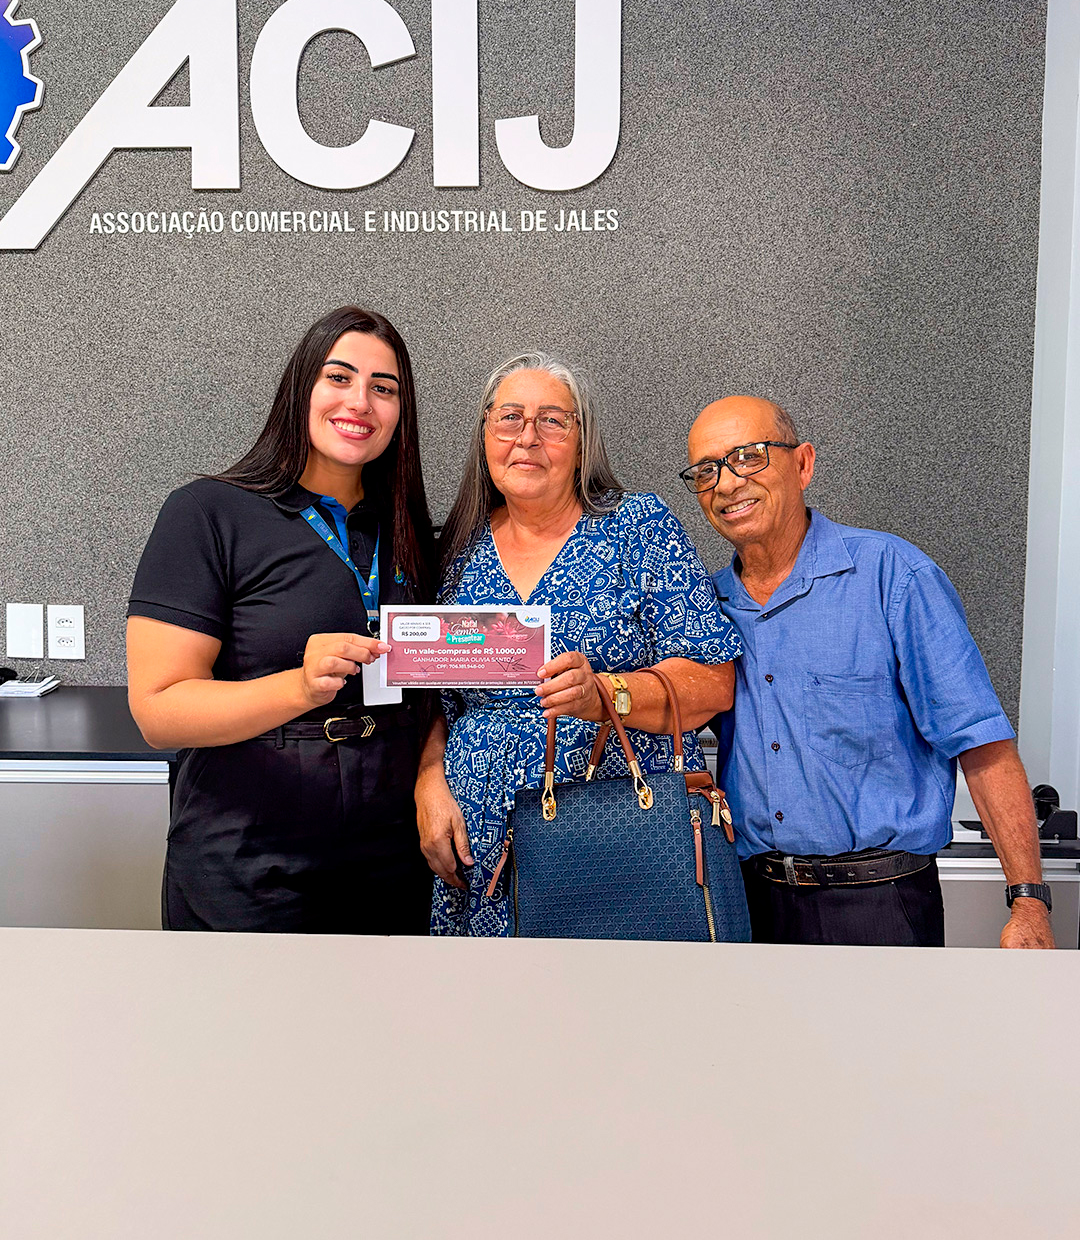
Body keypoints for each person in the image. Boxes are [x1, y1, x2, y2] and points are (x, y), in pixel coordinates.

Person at [682, 394, 1055, 948]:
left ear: (803, 463)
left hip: (881, 905)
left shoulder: (894, 576)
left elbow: (981, 744)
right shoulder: (703, 610)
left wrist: (1028, 900)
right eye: (706, 471)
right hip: (751, 904)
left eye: (749, 456)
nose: (728, 483)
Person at [127, 306, 436, 933]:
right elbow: (158, 712)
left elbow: (435, 693)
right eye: (339, 377)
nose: (360, 402)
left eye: (384, 388)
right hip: (250, 853)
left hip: (392, 851)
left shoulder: (411, 530)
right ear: (301, 387)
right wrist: (298, 687)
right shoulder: (208, 512)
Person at [415, 352, 743, 936]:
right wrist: (428, 779)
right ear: (485, 433)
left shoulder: (638, 528)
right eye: (510, 418)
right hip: (478, 846)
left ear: (582, 439)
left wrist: (607, 694)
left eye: (552, 420)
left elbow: (713, 682)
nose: (528, 438)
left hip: (617, 837)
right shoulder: (456, 551)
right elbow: (437, 700)